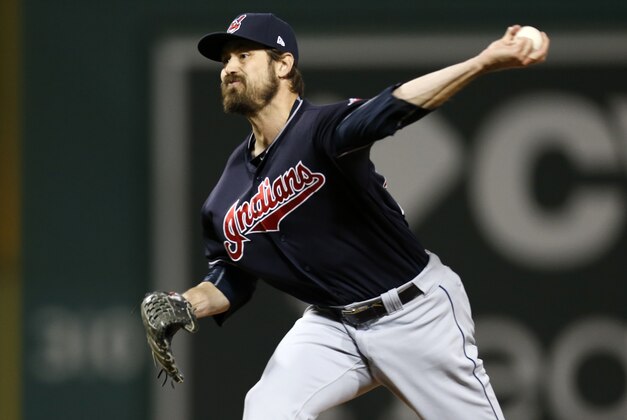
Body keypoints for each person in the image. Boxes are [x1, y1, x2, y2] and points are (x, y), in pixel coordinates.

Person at [181, 12, 549, 419]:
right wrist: (186, 304)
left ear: (283, 65)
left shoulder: (322, 129)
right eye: (225, 60)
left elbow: (394, 105)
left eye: (244, 55)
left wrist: (482, 61)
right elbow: (232, 274)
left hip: (414, 313)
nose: (229, 67)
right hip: (333, 323)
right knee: (268, 409)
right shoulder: (226, 194)